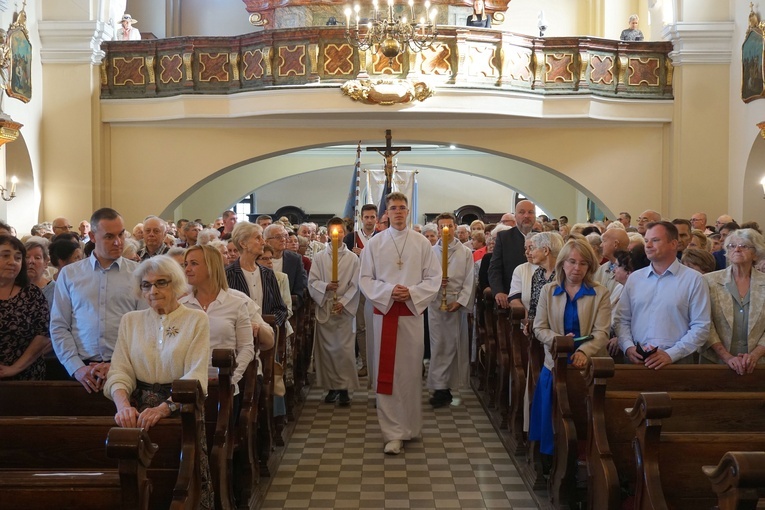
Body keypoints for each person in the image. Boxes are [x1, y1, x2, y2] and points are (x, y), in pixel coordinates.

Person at [103, 255, 213, 509]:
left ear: (175, 285)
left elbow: (196, 375)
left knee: (179, 478)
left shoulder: (196, 320)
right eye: (146, 285)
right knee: (141, 483)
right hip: (137, 411)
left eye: (160, 283)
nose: (153, 291)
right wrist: (123, 406)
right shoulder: (130, 321)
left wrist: (164, 408)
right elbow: (120, 370)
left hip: (181, 409)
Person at [358, 192, 441, 455]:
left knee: (409, 373)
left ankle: (410, 427)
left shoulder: (421, 243)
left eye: (402, 208)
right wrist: (390, 292)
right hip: (383, 316)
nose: (397, 212)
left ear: (408, 211)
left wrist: (413, 293)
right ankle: (392, 432)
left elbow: (433, 278)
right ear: (386, 212)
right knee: (387, 374)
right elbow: (365, 279)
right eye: (393, 208)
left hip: (411, 317)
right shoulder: (375, 244)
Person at [51, 208, 146, 392]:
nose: (118, 242)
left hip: (126, 368)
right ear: (93, 237)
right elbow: (59, 325)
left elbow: (144, 326)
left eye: (121, 234)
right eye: (109, 236)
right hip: (81, 369)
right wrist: (76, 367)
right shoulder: (70, 274)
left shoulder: (138, 273)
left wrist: (119, 364)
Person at [531, 238, 610, 457]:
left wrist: (584, 351)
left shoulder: (600, 293)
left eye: (583, 263)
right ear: (562, 263)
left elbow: (602, 332)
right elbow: (539, 328)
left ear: (590, 266)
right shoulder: (549, 291)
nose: (577, 268)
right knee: (554, 417)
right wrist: (560, 341)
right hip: (556, 361)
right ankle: (551, 458)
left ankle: (583, 459)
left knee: (584, 419)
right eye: (572, 262)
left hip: (589, 364)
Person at [616, 221, 711, 368]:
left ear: (673, 244)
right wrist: (628, 347)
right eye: (646, 241)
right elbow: (622, 319)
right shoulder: (635, 279)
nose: (648, 245)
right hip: (636, 360)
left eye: (655, 240)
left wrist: (671, 354)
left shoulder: (694, 280)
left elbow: (701, 326)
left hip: (676, 363)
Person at [180, 245, 254, 389]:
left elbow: (246, 348)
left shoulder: (235, 304)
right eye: (186, 264)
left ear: (211, 267)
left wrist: (230, 379)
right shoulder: (181, 306)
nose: (187, 269)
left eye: (194, 264)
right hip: (187, 383)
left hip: (224, 382)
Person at [309, 217, 361, 406]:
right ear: (328, 234)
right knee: (328, 351)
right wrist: (325, 286)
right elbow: (312, 282)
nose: (336, 235)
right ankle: (331, 388)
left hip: (345, 311)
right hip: (326, 307)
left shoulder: (353, 259)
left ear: (345, 233)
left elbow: (356, 285)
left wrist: (345, 302)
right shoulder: (319, 257)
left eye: (339, 231)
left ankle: (345, 388)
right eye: (333, 232)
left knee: (345, 351)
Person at [427, 213, 475, 408]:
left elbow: (470, 280)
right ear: (437, 230)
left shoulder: (465, 253)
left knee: (454, 346)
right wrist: (435, 283)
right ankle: (439, 387)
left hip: (455, 304)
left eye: (449, 226)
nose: (445, 230)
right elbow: (424, 277)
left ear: (455, 228)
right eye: (442, 227)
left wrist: (461, 301)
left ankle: (447, 387)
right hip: (436, 304)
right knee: (438, 345)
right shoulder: (430, 252)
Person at [701, 229, 765, 372]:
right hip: (715, 362)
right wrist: (727, 357)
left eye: (744, 246)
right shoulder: (709, 281)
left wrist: (754, 355)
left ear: (756, 254)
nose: (737, 249)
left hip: (757, 365)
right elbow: (705, 323)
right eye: (732, 246)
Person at [0, 235, 51, 380]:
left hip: (26, 376)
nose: (12, 262)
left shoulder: (32, 294)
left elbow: (42, 335)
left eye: (17, 258)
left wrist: (14, 369)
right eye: (5, 256)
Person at [489, 200, 537, 309]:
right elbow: (494, 268)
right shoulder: (504, 237)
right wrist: (498, 291)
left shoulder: (542, 238)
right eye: (522, 212)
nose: (526, 216)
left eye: (530, 212)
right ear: (515, 216)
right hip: (509, 295)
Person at [263, 223, 307, 309]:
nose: (283, 239)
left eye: (285, 236)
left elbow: (301, 286)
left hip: (288, 307)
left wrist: (291, 305)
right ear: (267, 241)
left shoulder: (295, 259)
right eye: (278, 237)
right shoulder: (260, 259)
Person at [25, 237, 55, 310]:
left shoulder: (55, 289)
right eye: (26, 257)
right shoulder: (11, 287)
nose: (31, 261)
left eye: (37, 258)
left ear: (45, 263)